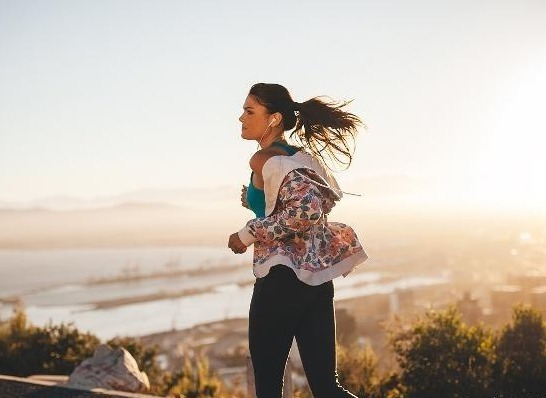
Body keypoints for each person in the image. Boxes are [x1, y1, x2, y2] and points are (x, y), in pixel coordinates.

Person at [228, 83, 368, 398]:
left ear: (274, 119)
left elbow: (305, 211)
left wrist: (248, 232)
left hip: (280, 283)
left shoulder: (266, 158)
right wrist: (253, 201)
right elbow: (302, 202)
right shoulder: (302, 158)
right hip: (315, 281)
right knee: (327, 387)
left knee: (268, 388)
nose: (241, 118)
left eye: (250, 111)